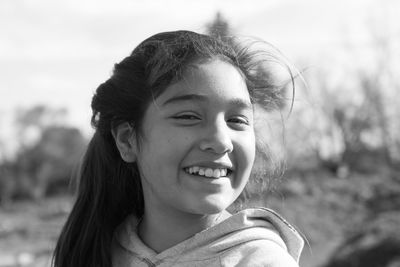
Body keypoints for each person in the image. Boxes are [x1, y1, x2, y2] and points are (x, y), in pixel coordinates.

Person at [52, 30, 304, 267]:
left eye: (236, 120)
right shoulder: (101, 252)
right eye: (188, 117)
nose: (221, 141)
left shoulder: (261, 261)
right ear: (127, 139)